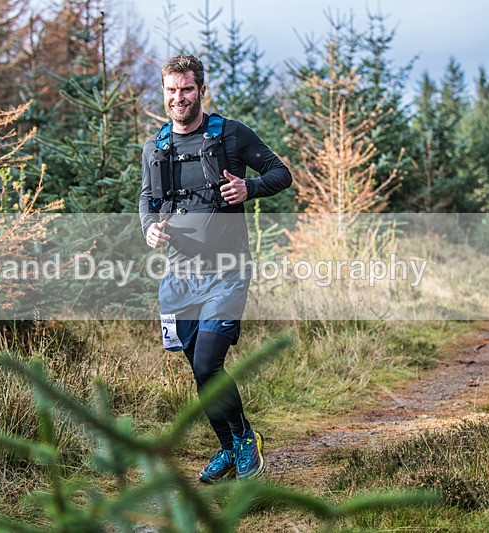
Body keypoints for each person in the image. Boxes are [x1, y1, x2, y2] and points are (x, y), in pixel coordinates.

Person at [139, 55, 291, 483]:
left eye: (186, 89)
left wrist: (250, 186)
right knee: (199, 370)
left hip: (228, 269)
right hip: (179, 275)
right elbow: (146, 199)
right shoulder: (157, 146)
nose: (178, 98)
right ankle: (228, 448)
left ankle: (244, 440)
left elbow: (282, 174)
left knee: (208, 363)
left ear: (201, 90)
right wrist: (149, 228)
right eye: (171, 90)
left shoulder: (231, 134)